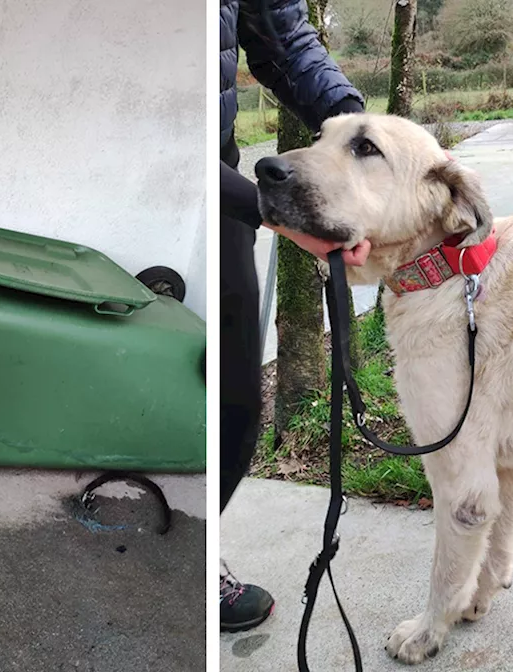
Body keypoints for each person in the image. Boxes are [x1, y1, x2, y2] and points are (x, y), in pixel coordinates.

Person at [219, 0, 371, 633]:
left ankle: (205, 553)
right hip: (173, 170)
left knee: (234, 399)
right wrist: (277, 215)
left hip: (219, 175)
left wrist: (364, 131)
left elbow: (285, 40)